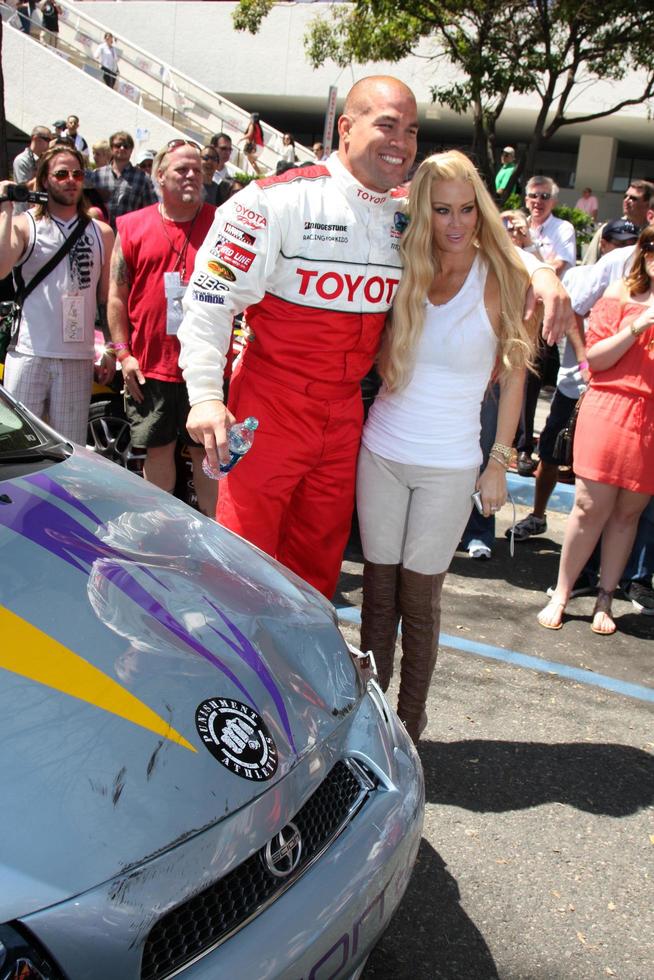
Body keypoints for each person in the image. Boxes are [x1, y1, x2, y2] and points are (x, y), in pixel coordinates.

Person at [178, 75, 572, 601]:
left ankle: (304, 678)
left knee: (318, 570)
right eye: (386, 125)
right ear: (346, 127)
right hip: (269, 407)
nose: (402, 143)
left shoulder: (410, 210)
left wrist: (539, 271)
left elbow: (476, 238)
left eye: (410, 131)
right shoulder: (273, 202)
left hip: (347, 418)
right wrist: (205, 395)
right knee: (245, 564)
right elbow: (209, 300)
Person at [357, 150, 536, 742]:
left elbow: (514, 375)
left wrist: (499, 462)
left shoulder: (504, 276)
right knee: (378, 596)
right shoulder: (404, 266)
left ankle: (408, 727)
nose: (456, 224)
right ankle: (371, 720)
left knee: (420, 599)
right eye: (441, 211)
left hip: (450, 464)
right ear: (423, 212)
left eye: (466, 209)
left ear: (481, 209)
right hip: (380, 451)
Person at [538, 226, 654, 635]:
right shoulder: (619, 294)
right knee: (589, 508)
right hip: (608, 407)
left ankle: (606, 596)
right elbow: (597, 361)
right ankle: (563, 593)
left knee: (628, 515)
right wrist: (642, 324)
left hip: (651, 419)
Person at [107, 140, 217, 517]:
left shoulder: (221, 225)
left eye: (197, 169)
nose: (191, 176)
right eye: (181, 169)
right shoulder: (133, 226)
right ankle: (164, 528)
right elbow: (117, 297)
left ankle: (216, 537)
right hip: (151, 364)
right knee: (158, 448)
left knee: (208, 452)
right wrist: (124, 354)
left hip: (206, 363)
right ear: (159, 175)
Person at [0, 146, 114, 444]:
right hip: (29, 353)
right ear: (44, 180)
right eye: (61, 174)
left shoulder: (101, 232)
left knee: (68, 449)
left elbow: (108, 299)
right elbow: (0, 268)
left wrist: (112, 350)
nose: (71, 180)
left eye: (77, 174)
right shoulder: (27, 225)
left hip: (76, 358)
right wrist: (5, 208)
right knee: (17, 444)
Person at [516, 176, 577, 475]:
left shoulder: (562, 229)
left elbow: (555, 268)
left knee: (529, 382)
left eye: (543, 196)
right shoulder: (514, 222)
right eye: (532, 196)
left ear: (553, 200)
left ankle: (525, 448)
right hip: (511, 310)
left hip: (541, 317)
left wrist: (527, 246)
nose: (537, 201)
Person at [88, 131, 158, 229]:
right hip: (99, 234)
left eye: (126, 146)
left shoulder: (143, 178)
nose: (122, 148)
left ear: (131, 150)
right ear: (111, 149)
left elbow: (151, 211)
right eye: (118, 145)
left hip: (128, 235)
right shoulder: (96, 175)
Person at [12, 126, 52, 214]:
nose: (50, 144)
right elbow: (22, 188)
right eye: (47, 140)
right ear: (35, 138)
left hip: (39, 211)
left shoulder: (44, 159)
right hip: (23, 212)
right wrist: (43, 175)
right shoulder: (21, 160)